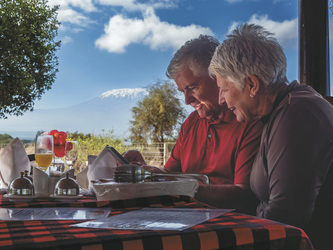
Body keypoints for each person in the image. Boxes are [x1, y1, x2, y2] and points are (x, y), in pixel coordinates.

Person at [208, 23, 333, 249]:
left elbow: (285, 217)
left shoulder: (295, 115)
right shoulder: (281, 110)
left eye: (224, 89)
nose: (220, 100)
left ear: (252, 84)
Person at [123, 35, 264, 215]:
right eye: (182, 91)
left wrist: (179, 187)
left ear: (218, 78)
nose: (186, 100)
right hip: (184, 217)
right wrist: (147, 171)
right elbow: (170, 172)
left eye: (192, 88)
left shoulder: (248, 122)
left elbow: (244, 195)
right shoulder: (191, 122)